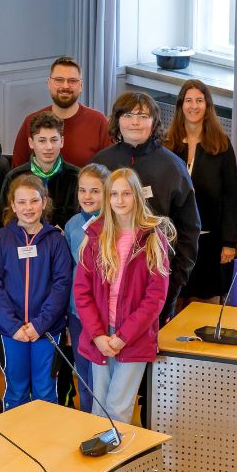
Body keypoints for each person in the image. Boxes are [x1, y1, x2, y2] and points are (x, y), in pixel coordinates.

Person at [73, 168, 174, 424]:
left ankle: (120, 463)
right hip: (102, 335)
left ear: (137, 197)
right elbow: (82, 292)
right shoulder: (96, 236)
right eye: (114, 194)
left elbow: (155, 299)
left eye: (126, 194)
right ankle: (102, 463)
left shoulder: (152, 238)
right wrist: (97, 335)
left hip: (133, 336)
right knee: (100, 409)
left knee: (118, 408)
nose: (119, 200)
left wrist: (122, 337)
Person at [92, 92, 200, 322]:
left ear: (154, 122)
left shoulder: (173, 167)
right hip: (106, 280)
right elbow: (87, 218)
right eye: (128, 115)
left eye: (143, 116)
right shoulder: (100, 164)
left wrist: (175, 280)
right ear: (117, 120)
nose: (135, 122)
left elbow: (189, 230)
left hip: (156, 282)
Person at [0, 174, 72, 410]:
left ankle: (45, 445)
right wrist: (13, 326)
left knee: (45, 390)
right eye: (21, 202)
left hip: (46, 331)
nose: (28, 208)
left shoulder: (56, 240)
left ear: (44, 202)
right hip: (10, 332)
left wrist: (40, 324)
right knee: (16, 390)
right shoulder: (0, 240)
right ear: (12, 205)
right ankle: (16, 444)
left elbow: (61, 285)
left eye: (34, 201)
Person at [165, 80, 237, 302]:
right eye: (188, 101)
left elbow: (231, 197)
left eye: (199, 100)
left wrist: (229, 242)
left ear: (207, 106)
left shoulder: (221, 145)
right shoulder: (168, 145)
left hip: (210, 242)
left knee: (206, 305)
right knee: (174, 303)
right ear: (181, 106)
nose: (194, 106)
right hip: (174, 242)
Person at [63, 164, 110, 411]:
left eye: (95, 191)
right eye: (83, 190)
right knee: (82, 374)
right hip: (77, 313)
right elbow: (67, 272)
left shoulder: (115, 224)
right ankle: (86, 420)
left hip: (105, 314)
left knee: (102, 374)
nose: (87, 197)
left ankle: (104, 423)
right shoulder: (72, 225)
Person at [12, 56, 112, 168]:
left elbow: (109, 173)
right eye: (59, 80)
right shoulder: (31, 122)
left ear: (81, 86)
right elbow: (17, 172)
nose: (65, 86)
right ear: (49, 83)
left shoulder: (98, 122)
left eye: (72, 81)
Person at [0, 112, 80, 229]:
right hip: (22, 243)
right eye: (42, 141)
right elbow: (2, 220)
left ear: (61, 141)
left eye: (54, 140)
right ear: (31, 143)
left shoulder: (76, 176)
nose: (49, 147)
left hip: (63, 244)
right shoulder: (14, 177)